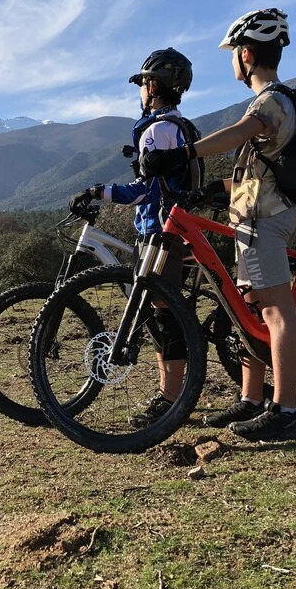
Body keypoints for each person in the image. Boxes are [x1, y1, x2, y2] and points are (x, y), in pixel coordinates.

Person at [151, 8, 296, 440]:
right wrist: (211, 190)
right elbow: (257, 171)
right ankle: (252, 398)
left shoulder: (270, 101)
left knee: (276, 313)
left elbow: (240, 131)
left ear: (247, 54)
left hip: (266, 219)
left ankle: (287, 412)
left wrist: (183, 153)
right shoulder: (272, 101)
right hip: (252, 217)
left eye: (233, 53)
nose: (232, 61)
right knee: (250, 311)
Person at [67, 47, 195, 428]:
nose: (140, 91)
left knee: (165, 316)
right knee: (158, 314)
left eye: (142, 83)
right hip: (170, 230)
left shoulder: (158, 130)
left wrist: (99, 191)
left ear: (153, 86)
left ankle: (171, 399)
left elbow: (146, 191)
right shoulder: (180, 125)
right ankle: (169, 394)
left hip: (160, 233)